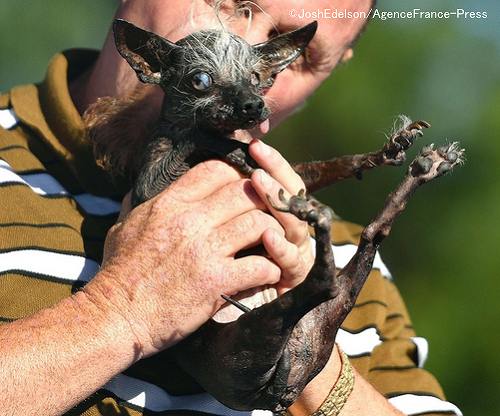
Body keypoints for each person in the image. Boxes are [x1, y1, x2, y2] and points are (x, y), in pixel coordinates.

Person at [0, 1, 462, 415]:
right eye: (230, 4)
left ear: (328, 72)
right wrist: (118, 311)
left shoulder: (342, 255)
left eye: (287, 56)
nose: (239, 54)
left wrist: (307, 350)